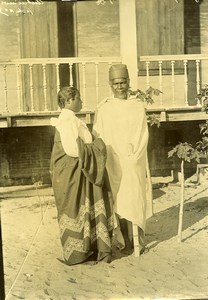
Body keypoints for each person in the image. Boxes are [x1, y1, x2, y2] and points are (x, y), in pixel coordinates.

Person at [93, 64, 153, 254]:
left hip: (134, 158)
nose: (120, 86)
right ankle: (124, 238)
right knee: (118, 197)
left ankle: (137, 238)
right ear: (110, 84)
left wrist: (135, 155)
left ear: (128, 82)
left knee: (134, 196)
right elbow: (99, 135)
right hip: (114, 160)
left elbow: (143, 133)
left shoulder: (136, 106)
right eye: (116, 83)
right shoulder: (105, 108)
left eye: (123, 82)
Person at [50, 86, 113, 265]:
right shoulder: (65, 121)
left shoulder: (72, 119)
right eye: (79, 98)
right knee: (76, 207)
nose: (82, 102)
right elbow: (72, 150)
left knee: (86, 207)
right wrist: (97, 147)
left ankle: (89, 249)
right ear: (69, 101)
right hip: (72, 172)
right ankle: (78, 254)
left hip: (80, 170)